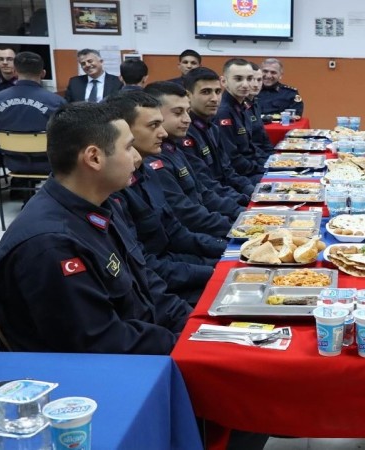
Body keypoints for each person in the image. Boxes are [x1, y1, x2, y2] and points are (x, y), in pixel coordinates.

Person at [0, 102, 192, 354]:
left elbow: (146, 284)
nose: (137, 158)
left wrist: (191, 323)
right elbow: (103, 343)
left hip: (143, 341)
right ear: (94, 157)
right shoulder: (51, 245)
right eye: (129, 147)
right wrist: (183, 344)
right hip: (113, 366)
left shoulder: (101, 204)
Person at [105, 90, 227, 304]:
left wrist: (228, 249)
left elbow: (176, 233)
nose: (162, 133)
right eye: (153, 126)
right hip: (162, 286)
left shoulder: (148, 170)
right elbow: (145, 266)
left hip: (174, 268)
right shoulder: (114, 188)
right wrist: (213, 272)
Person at [143, 81, 240, 238]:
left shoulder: (174, 149)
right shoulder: (153, 161)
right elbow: (186, 214)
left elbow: (204, 193)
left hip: (207, 227)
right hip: (195, 235)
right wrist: (236, 227)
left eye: (187, 111)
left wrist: (241, 213)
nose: (187, 119)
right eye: (178, 113)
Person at [0, 51, 66, 174]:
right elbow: (66, 135)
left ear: (15, 72)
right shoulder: (56, 102)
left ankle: (18, 184)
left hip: (12, 162)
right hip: (49, 162)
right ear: (43, 73)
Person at [182, 67, 255, 199]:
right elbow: (205, 184)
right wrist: (243, 200)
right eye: (206, 92)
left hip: (228, 193)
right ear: (188, 96)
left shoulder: (212, 128)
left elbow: (227, 171)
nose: (215, 99)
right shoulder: (184, 132)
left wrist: (252, 191)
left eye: (217, 91)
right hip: (215, 201)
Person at [215, 58, 267, 183]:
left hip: (251, 168)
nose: (245, 84)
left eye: (249, 79)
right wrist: (264, 169)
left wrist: (269, 163)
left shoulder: (243, 106)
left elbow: (251, 148)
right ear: (224, 81)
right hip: (239, 178)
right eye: (238, 79)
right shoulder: (223, 112)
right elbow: (233, 159)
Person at [246, 62, 275, 156]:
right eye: (251, 79)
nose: (256, 85)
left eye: (259, 80)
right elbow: (247, 146)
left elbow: (264, 138)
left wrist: (273, 156)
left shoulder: (255, 103)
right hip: (252, 158)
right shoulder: (238, 107)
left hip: (260, 155)